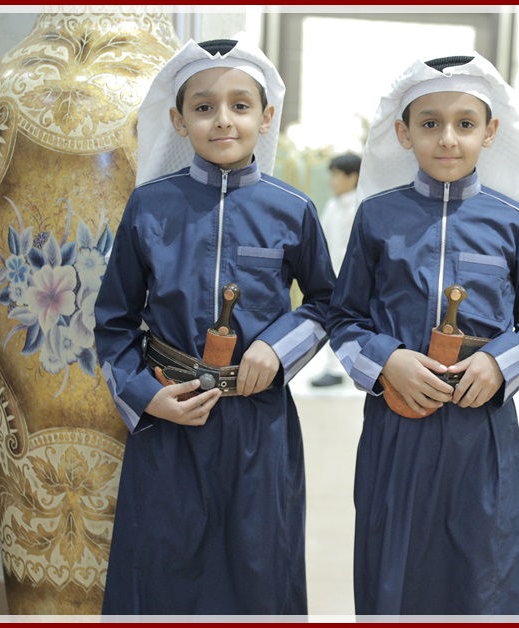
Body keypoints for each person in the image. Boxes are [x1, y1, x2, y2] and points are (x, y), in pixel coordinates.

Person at [94, 38, 335, 615]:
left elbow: (329, 303)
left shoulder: (292, 209)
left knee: (258, 568)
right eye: (204, 107)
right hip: (170, 421)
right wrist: (146, 397)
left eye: (240, 105)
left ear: (266, 117)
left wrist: (277, 349)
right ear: (179, 120)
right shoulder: (149, 206)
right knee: (162, 570)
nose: (223, 119)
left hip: (259, 424)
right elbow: (113, 322)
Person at [325, 53, 519, 615]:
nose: (448, 139)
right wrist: (388, 361)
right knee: (393, 560)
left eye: (465, 123)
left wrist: (499, 363)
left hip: (480, 430)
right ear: (403, 133)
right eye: (430, 123)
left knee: (479, 569)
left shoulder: (515, 222)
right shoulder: (376, 217)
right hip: (396, 422)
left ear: (491, 132)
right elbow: (344, 318)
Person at [311, 152, 362, 387]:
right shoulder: (333, 204)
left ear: (353, 177)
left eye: (337, 175)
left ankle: (350, 368)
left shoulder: (360, 206)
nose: (332, 181)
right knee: (333, 321)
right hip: (332, 275)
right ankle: (333, 368)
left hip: (354, 279)